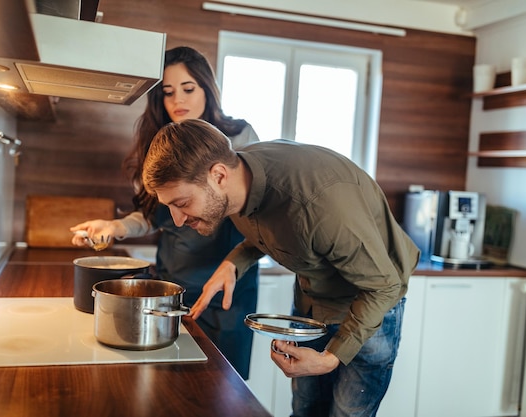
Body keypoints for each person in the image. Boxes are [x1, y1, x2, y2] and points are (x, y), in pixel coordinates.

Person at [140, 119, 420, 417]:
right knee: (305, 411)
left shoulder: (320, 205)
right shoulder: (238, 180)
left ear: (218, 176)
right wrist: (233, 263)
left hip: (370, 304)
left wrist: (331, 357)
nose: (178, 220)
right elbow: (277, 228)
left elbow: (384, 284)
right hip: (314, 300)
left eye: (182, 203)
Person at [70, 47, 259, 380]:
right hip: (172, 287)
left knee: (223, 388)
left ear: (207, 89)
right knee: (170, 382)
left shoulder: (240, 138)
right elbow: (150, 215)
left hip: (228, 291)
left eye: (188, 89)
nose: (177, 101)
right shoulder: (155, 145)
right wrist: (115, 226)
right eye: (168, 92)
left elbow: (258, 212)